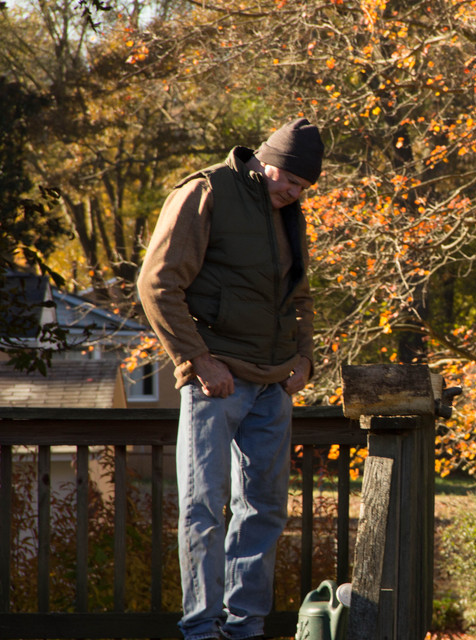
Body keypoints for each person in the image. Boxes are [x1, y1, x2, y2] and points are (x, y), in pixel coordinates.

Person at [137, 118, 323, 640]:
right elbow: (157, 285)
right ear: (267, 159)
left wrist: (304, 361)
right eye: (289, 178)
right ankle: (201, 629)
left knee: (264, 512)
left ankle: (246, 629)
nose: (294, 191)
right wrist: (199, 362)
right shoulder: (206, 190)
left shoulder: (289, 213)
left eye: (304, 186)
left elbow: (300, 297)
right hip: (215, 384)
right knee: (203, 509)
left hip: (274, 385)